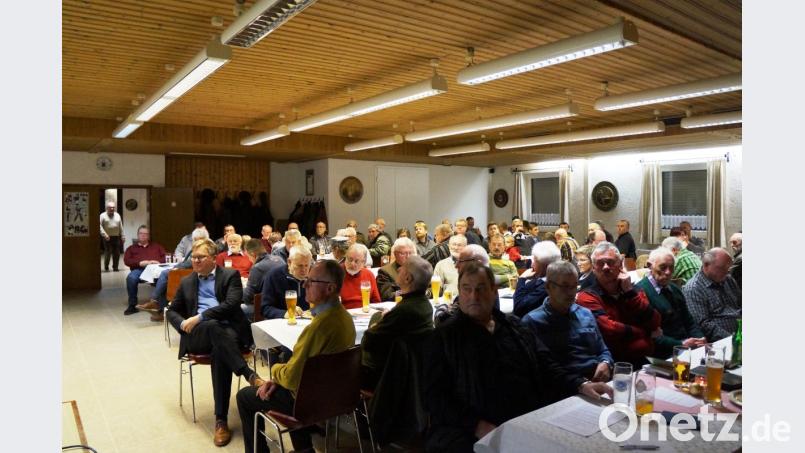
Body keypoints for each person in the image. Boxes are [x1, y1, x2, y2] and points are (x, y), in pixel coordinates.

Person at [423, 262, 612, 452]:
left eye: (481, 288)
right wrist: (477, 425)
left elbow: (546, 364)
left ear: (494, 291)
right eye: (467, 289)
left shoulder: (513, 326)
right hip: (470, 429)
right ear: (459, 292)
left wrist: (581, 384)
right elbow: (434, 396)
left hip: (524, 418)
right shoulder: (444, 337)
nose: (474, 296)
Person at [237, 260, 356, 453]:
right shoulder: (344, 317)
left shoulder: (318, 328)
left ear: (330, 288)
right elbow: (298, 373)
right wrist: (280, 379)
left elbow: (292, 379)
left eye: (311, 281)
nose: (304, 284)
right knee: (287, 381)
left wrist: (275, 371)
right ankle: (304, 448)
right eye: (306, 279)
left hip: (310, 401)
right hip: (336, 396)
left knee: (245, 397)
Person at [166, 238, 263, 447]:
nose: (195, 261)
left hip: (228, 330)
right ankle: (248, 374)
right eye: (193, 257)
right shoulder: (187, 281)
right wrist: (183, 323)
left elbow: (231, 304)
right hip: (199, 335)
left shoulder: (230, 275)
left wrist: (200, 317)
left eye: (200, 257)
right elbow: (171, 311)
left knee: (220, 350)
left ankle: (221, 421)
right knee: (211, 327)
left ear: (213, 258)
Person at [522, 261, 613, 382]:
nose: (571, 292)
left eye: (574, 286)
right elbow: (541, 369)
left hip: (597, 379)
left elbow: (603, 349)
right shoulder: (532, 322)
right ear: (548, 287)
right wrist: (581, 384)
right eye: (564, 286)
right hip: (565, 385)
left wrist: (606, 362)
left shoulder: (585, 313)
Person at [576, 242, 661, 366]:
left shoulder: (633, 291)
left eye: (610, 262)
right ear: (593, 269)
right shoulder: (587, 296)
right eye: (600, 263)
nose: (606, 267)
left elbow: (654, 321)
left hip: (646, 361)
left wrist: (629, 293)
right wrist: (645, 332)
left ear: (620, 264)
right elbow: (609, 330)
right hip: (614, 364)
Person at [361, 255, 434, 389]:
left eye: (403, 267)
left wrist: (377, 324)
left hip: (389, 378)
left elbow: (368, 341)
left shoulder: (405, 310)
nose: (398, 269)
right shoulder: (425, 305)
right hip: (413, 374)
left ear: (408, 278)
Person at [636, 247, 706, 358]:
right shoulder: (640, 292)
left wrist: (700, 339)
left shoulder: (674, 289)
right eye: (663, 267)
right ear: (649, 266)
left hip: (686, 349)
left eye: (671, 268)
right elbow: (649, 335)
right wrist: (681, 344)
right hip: (662, 354)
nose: (668, 272)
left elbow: (688, 320)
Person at [136, 226, 208, 321]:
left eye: (197, 239)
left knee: (165, 274)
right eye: (194, 240)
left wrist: (177, 267)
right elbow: (185, 260)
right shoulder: (195, 247)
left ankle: (155, 302)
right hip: (186, 272)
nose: (195, 242)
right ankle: (160, 310)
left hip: (194, 275)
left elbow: (190, 262)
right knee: (165, 281)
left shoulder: (204, 249)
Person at [683, 248, 742, 341]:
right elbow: (703, 324)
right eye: (722, 268)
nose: (727, 271)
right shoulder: (694, 288)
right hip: (722, 340)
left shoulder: (728, 279)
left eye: (729, 268)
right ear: (706, 265)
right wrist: (732, 339)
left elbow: (740, 303)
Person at [122, 225, 166, 315]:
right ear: (137, 235)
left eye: (145, 234)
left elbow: (165, 257)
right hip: (139, 270)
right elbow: (127, 260)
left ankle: (161, 305)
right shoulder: (131, 248)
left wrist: (157, 262)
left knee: (166, 277)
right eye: (141, 233)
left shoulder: (157, 246)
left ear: (149, 236)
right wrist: (140, 263)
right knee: (131, 278)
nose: (143, 235)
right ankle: (132, 305)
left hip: (155, 270)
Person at [261, 246, 312, 319]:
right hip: (283, 321)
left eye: (306, 265)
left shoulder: (314, 275)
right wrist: (284, 313)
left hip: (309, 320)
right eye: (300, 266)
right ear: (289, 262)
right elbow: (265, 308)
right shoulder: (274, 276)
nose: (304, 270)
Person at [512, 241, 561, 317]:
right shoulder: (544, 279)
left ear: (545, 265)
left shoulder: (547, 287)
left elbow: (518, 309)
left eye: (534, 261)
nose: (531, 265)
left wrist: (522, 279)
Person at [240, 239, 285, 319]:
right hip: (283, 305)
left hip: (266, 308)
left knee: (234, 309)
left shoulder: (257, 268)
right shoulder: (279, 259)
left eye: (248, 257)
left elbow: (247, 298)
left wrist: (238, 290)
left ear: (253, 255)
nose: (249, 260)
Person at [340, 243, 381, 309]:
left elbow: (376, 302)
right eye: (350, 259)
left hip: (365, 312)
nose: (352, 264)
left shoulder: (369, 275)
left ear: (363, 262)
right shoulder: (335, 273)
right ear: (345, 258)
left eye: (356, 261)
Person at [99, 201, 124, 272]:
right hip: (107, 237)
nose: (112, 209)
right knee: (108, 253)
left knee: (117, 253)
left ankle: (115, 267)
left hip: (116, 237)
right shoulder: (102, 215)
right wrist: (104, 234)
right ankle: (106, 266)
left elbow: (120, 226)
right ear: (107, 208)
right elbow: (99, 226)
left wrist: (123, 236)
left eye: (113, 207)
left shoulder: (117, 215)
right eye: (110, 207)